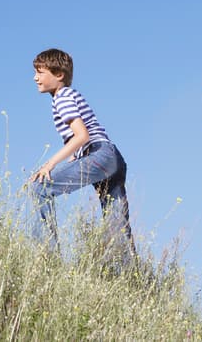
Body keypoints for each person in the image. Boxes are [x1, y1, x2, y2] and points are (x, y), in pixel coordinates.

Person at [27, 48, 134, 260]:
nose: (35, 78)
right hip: (112, 156)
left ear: (59, 74)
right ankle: (129, 273)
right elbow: (85, 135)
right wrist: (75, 156)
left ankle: (46, 259)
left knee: (39, 187)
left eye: (40, 72)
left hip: (99, 154)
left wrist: (49, 165)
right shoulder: (71, 95)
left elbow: (82, 136)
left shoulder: (62, 97)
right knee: (117, 225)